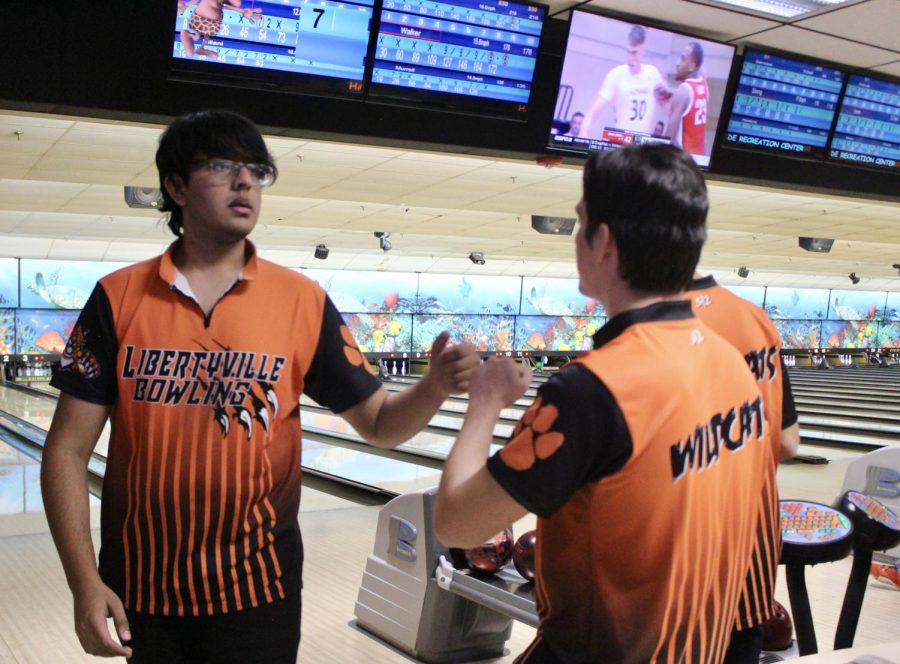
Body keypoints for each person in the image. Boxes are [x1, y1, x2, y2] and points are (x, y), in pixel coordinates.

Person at [40, 109, 479, 663]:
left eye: (256, 169)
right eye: (221, 165)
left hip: (259, 590)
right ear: (175, 187)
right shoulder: (117, 297)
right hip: (141, 588)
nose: (245, 180)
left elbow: (380, 425)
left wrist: (434, 386)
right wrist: (84, 584)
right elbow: (66, 450)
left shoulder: (302, 301)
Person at [435, 144, 774, 663]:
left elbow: (458, 523)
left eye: (579, 222)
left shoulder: (591, 390)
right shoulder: (734, 367)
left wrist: (484, 403)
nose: (575, 238)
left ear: (604, 243)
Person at [688, 274, 800, 663]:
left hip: (681, 544)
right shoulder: (757, 320)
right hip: (752, 537)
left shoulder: (650, 326)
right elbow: (787, 443)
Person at [580, 25, 665, 139]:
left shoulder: (653, 73)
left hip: (642, 144)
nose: (630, 58)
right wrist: (583, 133)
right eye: (628, 52)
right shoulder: (616, 74)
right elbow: (593, 112)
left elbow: (667, 105)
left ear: (643, 50)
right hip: (621, 140)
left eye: (634, 53)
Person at [664, 42, 709, 156]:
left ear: (692, 66)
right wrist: (672, 91)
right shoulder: (703, 82)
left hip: (685, 161)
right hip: (699, 159)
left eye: (682, 59)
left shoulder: (683, 92)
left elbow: (668, 141)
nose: (677, 63)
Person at [177, 0, 262, 58]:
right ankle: (186, 35)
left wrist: (242, 11)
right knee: (198, 34)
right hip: (201, 17)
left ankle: (201, 48)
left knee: (206, 35)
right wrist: (185, 6)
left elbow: (229, 5)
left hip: (213, 23)